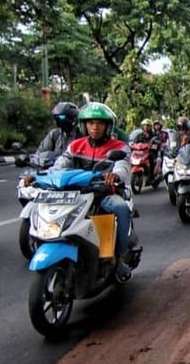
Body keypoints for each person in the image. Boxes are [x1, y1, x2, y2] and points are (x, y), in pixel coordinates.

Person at [52, 102, 134, 282]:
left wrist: (115, 175)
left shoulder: (119, 147)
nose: (95, 127)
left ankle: (119, 258)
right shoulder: (75, 146)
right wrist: (40, 176)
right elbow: (60, 165)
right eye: (90, 123)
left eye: (99, 123)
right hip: (77, 195)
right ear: (84, 125)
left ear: (107, 126)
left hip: (103, 194)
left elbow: (123, 167)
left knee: (120, 207)